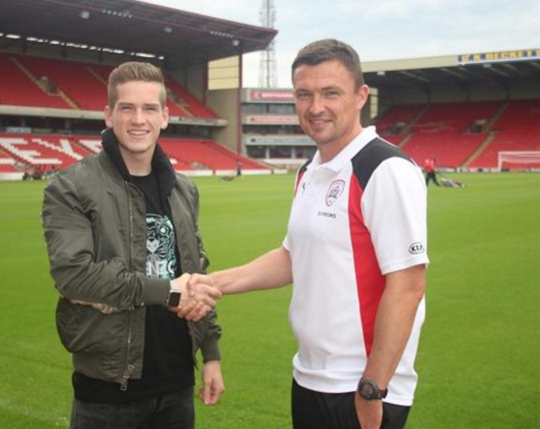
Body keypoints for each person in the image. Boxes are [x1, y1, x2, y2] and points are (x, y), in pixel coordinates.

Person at [198, 39, 428, 429]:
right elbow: (293, 256)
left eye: (330, 93)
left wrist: (373, 389)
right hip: (309, 376)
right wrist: (213, 282)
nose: (315, 107)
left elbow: (407, 285)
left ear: (360, 96)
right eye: (304, 94)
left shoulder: (383, 169)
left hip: (359, 388)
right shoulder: (310, 170)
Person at [42, 61, 224, 429]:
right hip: (108, 390)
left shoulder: (184, 190)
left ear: (165, 116)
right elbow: (74, 276)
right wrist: (169, 292)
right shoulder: (71, 187)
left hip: (176, 383)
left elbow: (195, 272)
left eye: (149, 108)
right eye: (127, 108)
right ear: (109, 115)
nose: (138, 119)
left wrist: (211, 353)